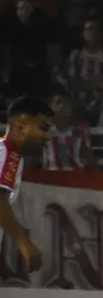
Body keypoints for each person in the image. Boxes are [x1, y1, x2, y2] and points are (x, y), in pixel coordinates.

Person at [0, 96, 50, 273]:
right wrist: (24, 243)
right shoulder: (6, 154)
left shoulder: (11, 155)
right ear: (21, 126)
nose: (48, 136)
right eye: (43, 128)